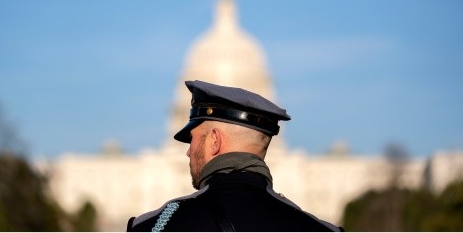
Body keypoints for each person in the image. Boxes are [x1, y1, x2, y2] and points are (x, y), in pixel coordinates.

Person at [127, 80, 343, 232]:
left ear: (214, 140)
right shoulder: (321, 229)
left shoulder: (154, 226)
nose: (187, 151)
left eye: (192, 139)